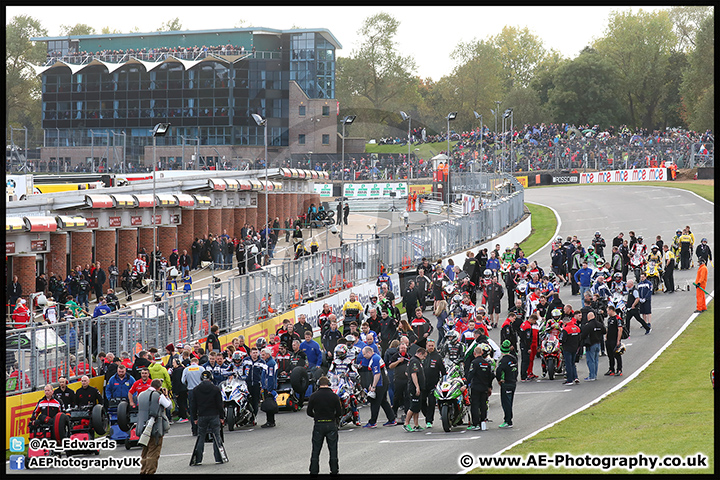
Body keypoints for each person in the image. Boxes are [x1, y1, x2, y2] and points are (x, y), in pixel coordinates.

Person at [307, 375, 343, 476]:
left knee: (316, 449)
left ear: (318, 384)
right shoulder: (334, 396)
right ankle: (334, 469)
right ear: (329, 384)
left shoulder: (314, 396)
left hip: (319, 423)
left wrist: (316, 416)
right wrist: (333, 416)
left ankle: (314, 470)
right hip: (331, 423)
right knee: (333, 448)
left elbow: (309, 411)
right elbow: (339, 412)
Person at [190, 371, 227, 466]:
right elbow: (220, 404)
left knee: (201, 436)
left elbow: (193, 405)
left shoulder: (196, 390)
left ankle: (198, 459)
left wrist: (194, 417)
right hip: (214, 414)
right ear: (211, 377)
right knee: (216, 436)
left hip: (202, 415)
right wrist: (222, 417)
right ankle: (219, 457)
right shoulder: (215, 389)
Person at [137, 379, 171, 475]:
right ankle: (150, 472)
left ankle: (143, 471)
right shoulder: (157, 395)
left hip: (142, 426)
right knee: (153, 452)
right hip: (155, 427)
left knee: (145, 451)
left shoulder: (141, 395)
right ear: (159, 387)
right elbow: (169, 406)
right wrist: (166, 395)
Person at [362, 346, 396, 428]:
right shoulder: (375, 358)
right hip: (383, 382)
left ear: (369, 352)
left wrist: (373, 386)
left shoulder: (375, 359)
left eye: (364, 354)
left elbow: (377, 374)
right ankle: (392, 419)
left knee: (374, 402)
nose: (364, 356)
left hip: (380, 383)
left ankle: (372, 422)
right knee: (383, 401)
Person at [466, 345, 493, 431]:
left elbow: (471, 374)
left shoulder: (474, 362)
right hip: (484, 387)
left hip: (476, 387)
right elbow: (490, 376)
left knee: (475, 405)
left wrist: (465, 384)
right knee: (483, 405)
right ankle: (483, 422)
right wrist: (489, 387)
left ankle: (475, 424)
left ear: (474, 353)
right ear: (482, 353)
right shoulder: (487, 363)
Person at [403, 347, 427, 432]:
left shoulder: (416, 361)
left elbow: (406, 372)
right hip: (414, 388)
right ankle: (406, 423)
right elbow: (413, 374)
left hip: (419, 387)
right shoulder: (414, 361)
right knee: (413, 406)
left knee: (417, 407)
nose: (424, 358)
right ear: (420, 354)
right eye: (424, 356)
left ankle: (416, 425)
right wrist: (417, 386)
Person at [495, 340, 518, 428]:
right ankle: (508, 419)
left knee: (506, 403)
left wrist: (499, 380)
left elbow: (498, 371)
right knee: (510, 401)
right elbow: (516, 370)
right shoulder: (514, 358)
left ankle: (508, 421)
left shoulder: (503, 361)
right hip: (513, 382)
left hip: (506, 383)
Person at [580, 303, 606, 382]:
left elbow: (583, 334)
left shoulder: (588, 325)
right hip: (598, 343)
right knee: (596, 360)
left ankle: (592, 376)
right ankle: (594, 374)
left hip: (591, 344)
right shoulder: (599, 324)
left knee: (590, 360)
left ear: (588, 317)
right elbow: (604, 331)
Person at [182, 357, 205, 436]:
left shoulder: (186, 369)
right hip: (201, 390)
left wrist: (188, 383)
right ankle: (203, 428)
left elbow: (183, 381)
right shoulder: (201, 368)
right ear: (197, 362)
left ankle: (194, 429)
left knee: (192, 410)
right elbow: (205, 378)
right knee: (202, 408)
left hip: (191, 390)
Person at [560, 312, 583, 386]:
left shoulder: (565, 329)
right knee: (573, 363)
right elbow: (580, 339)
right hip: (575, 348)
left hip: (567, 348)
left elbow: (562, 340)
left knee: (568, 364)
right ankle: (575, 377)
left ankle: (569, 380)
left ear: (565, 322)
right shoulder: (577, 328)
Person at [604, 305, 624, 377]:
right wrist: (606, 336)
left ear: (611, 310)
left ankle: (619, 369)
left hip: (615, 340)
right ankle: (611, 369)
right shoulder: (609, 319)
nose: (607, 312)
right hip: (609, 339)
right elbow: (608, 328)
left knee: (617, 355)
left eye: (608, 311)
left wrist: (618, 340)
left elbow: (620, 329)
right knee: (610, 355)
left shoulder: (617, 318)